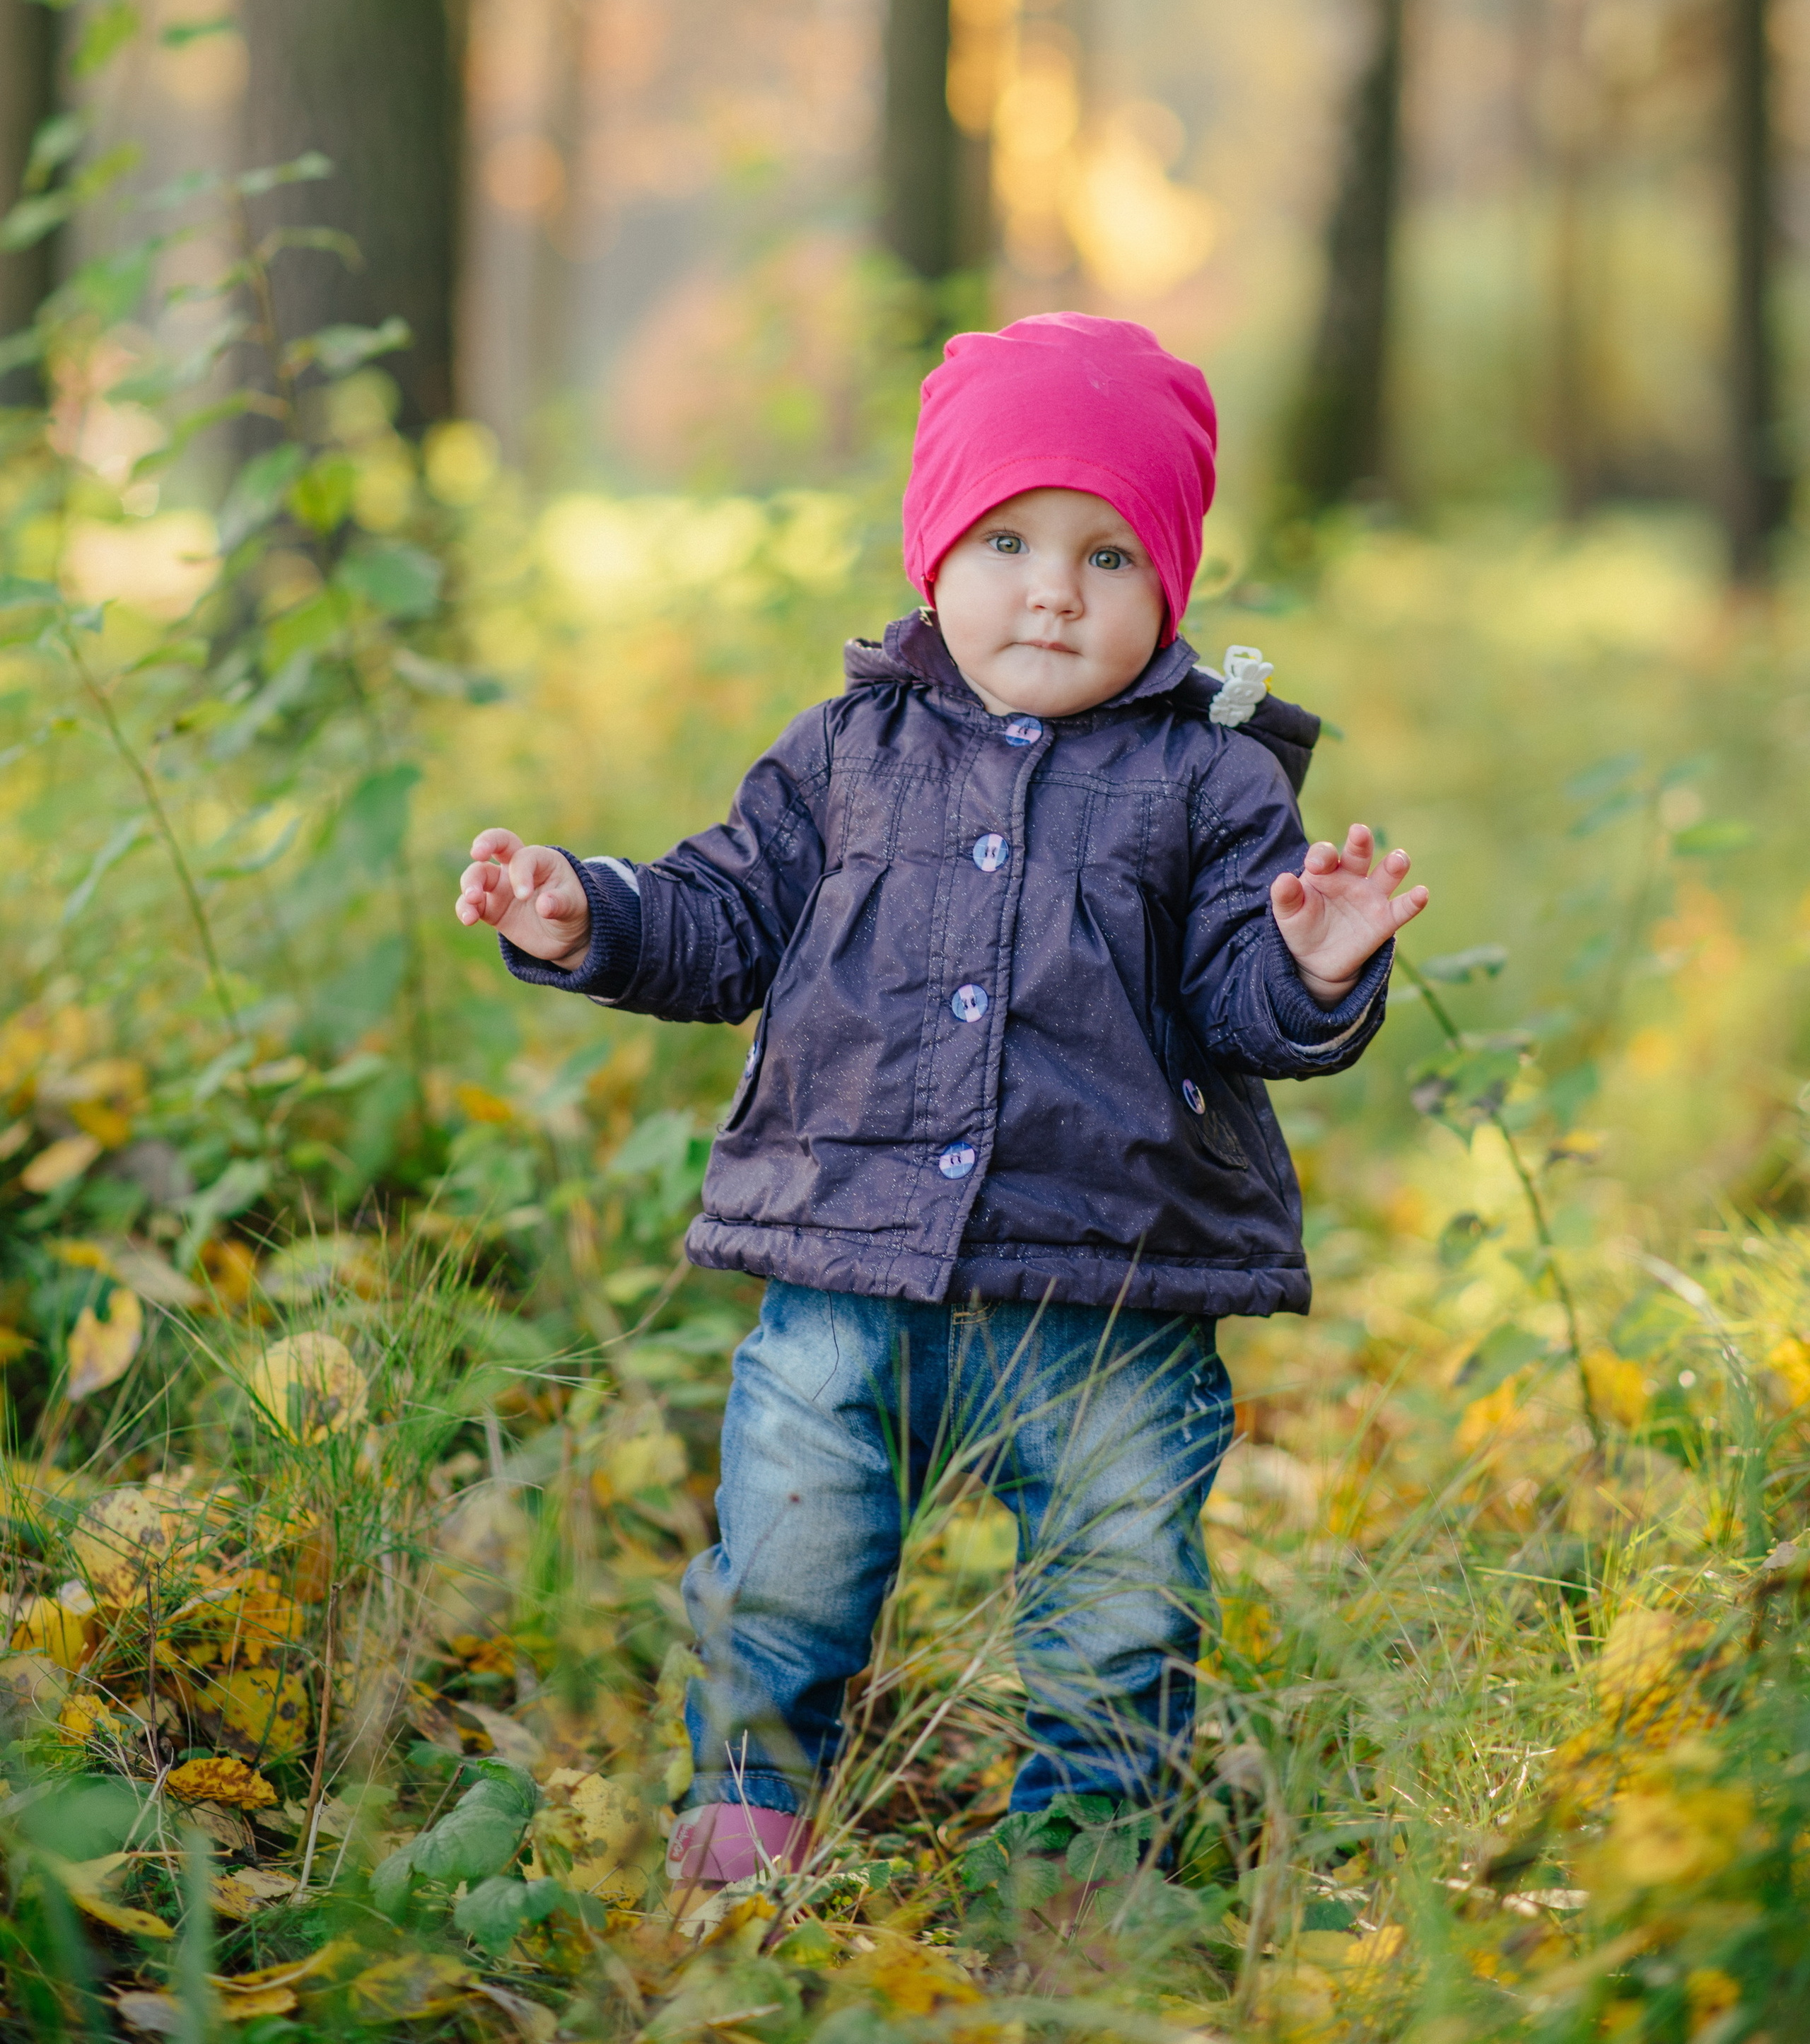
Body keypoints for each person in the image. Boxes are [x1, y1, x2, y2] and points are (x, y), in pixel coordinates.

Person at [455, 314, 1427, 1886]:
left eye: (1108, 556)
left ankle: (1082, 1860)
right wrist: (590, 912)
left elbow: (1238, 1010)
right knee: (787, 1549)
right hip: (843, 1268)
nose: (1053, 585)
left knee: (1119, 1588)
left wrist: (1310, 965)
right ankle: (749, 1818)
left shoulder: (1211, 782)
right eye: (1007, 539)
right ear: (931, 554)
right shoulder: (845, 754)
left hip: (1110, 1283)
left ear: (1170, 588)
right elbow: (723, 918)